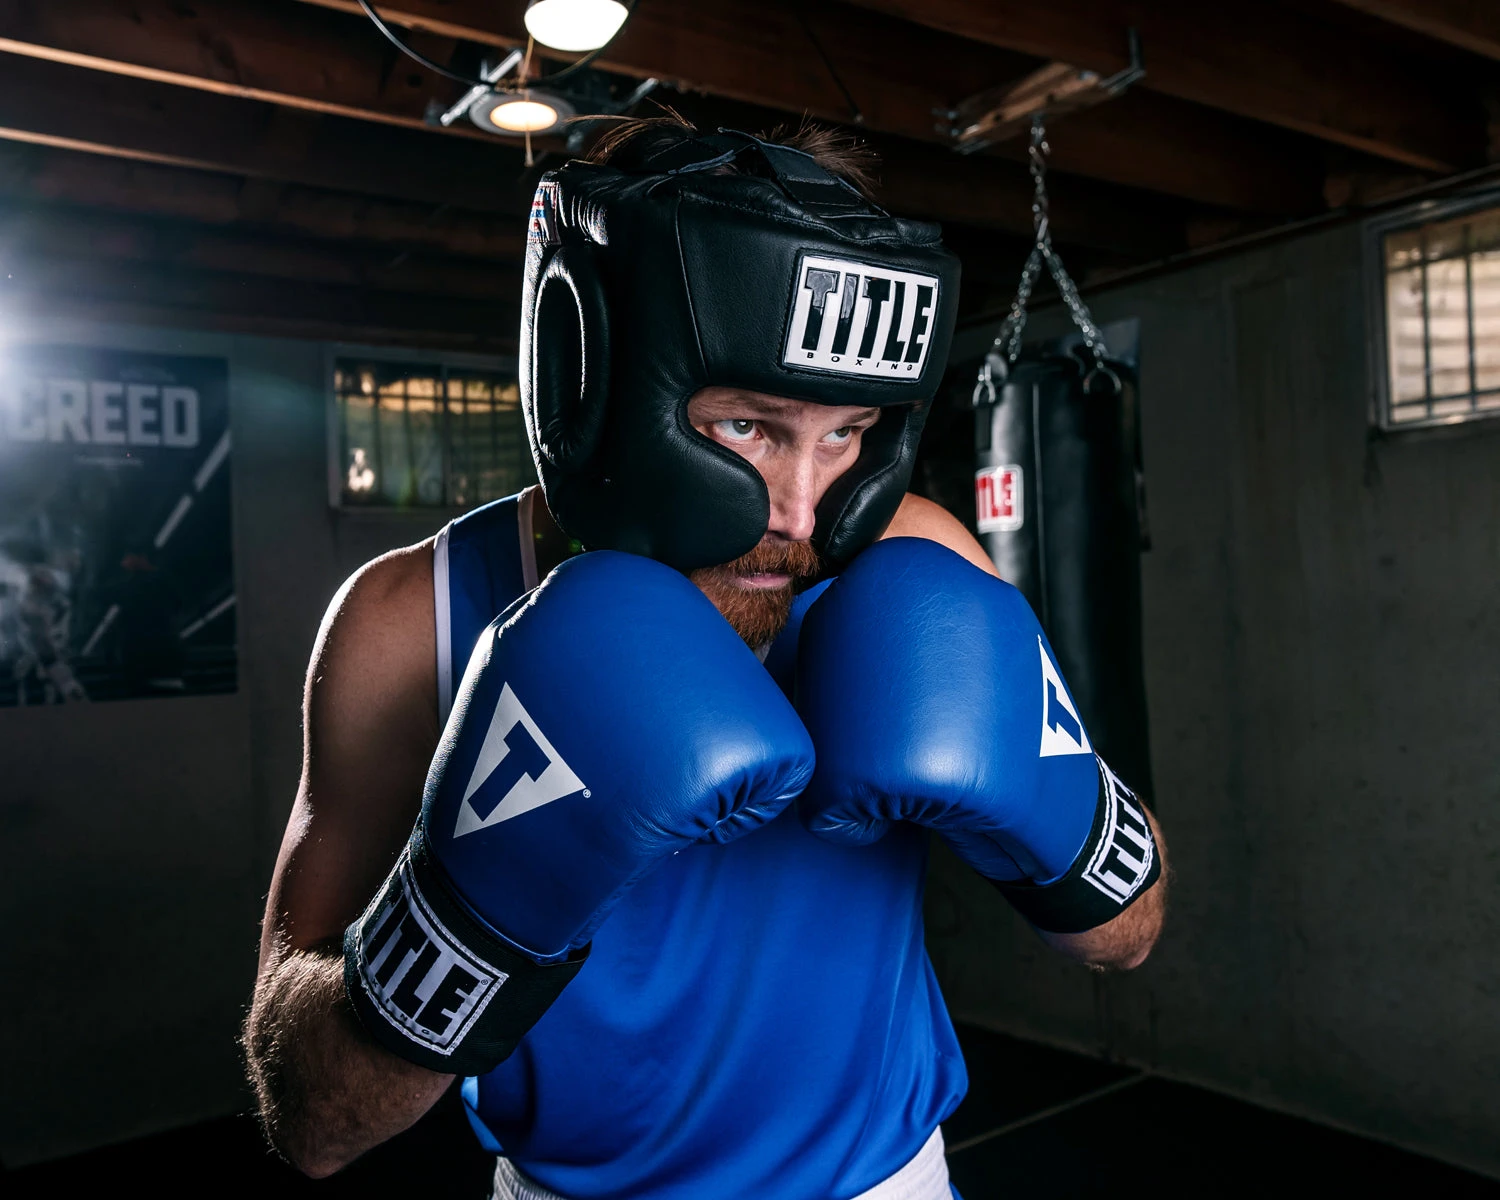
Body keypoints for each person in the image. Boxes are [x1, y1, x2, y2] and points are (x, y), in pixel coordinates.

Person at [245, 117, 1168, 1200]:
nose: (801, 509)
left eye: (848, 434)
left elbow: (1131, 934)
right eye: (747, 428)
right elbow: (305, 1117)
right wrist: (464, 918)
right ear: (593, 387)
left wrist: (1046, 810)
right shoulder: (412, 625)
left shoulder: (914, 558)